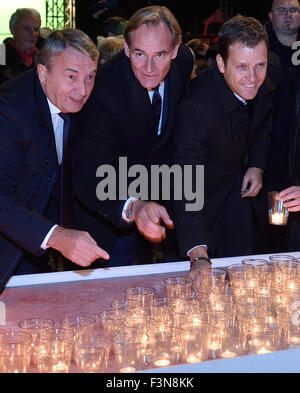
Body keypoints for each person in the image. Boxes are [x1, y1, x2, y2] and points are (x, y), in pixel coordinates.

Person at [74, 5, 194, 267]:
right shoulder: (103, 91)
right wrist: (133, 206)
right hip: (108, 204)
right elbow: (88, 171)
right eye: (139, 54)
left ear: (174, 51)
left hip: (159, 192)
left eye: (160, 54)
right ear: (126, 48)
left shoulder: (184, 62)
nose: (150, 67)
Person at [0, 29, 109, 293]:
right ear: (42, 73)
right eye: (71, 76)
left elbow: (86, 170)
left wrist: (130, 207)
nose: (82, 90)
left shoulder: (74, 100)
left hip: (33, 244)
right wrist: (56, 236)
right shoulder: (9, 113)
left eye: (90, 77)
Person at [172, 15, 278, 279]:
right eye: (241, 67)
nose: (253, 78)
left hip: (236, 190)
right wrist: (197, 253)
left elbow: (264, 122)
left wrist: (256, 164)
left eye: (260, 65)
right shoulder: (196, 106)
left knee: (242, 273)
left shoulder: (265, 76)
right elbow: (185, 179)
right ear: (221, 63)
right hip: (199, 198)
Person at [262, 0, 300, 252]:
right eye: (281, 9)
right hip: (265, 158)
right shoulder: (259, 50)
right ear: (270, 15)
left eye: (294, 9)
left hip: (297, 156)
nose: (288, 15)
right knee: (265, 236)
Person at [0, 8, 42, 85]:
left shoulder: (45, 53)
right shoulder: (1, 53)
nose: (32, 34)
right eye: (26, 28)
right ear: (12, 29)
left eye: (36, 29)